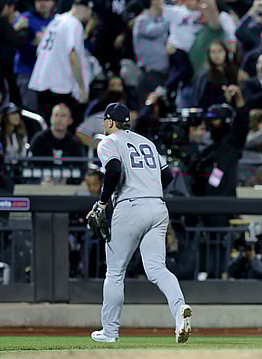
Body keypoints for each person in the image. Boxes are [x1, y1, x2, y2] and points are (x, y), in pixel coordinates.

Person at [88, 103, 192, 343]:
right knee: (157, 269)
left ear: (111, 122)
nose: (104, 125)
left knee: (115, 273)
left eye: (105, 121)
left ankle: (110, 332)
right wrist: (148, 190)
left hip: (130, 206)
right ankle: (179, 311)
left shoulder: (108, 142)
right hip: (157, 206)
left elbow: (113, 170)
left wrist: (102, 204)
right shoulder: (147, 143)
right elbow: (167, 176)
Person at [28, 0, 93, 124]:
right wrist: (82, 87)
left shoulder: (56, 21)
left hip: (42, 82)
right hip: (59, 86)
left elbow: (39, 50)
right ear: (86, 10)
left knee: (47, 126)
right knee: (62, 128)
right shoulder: (74, 23)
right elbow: (72, 55)